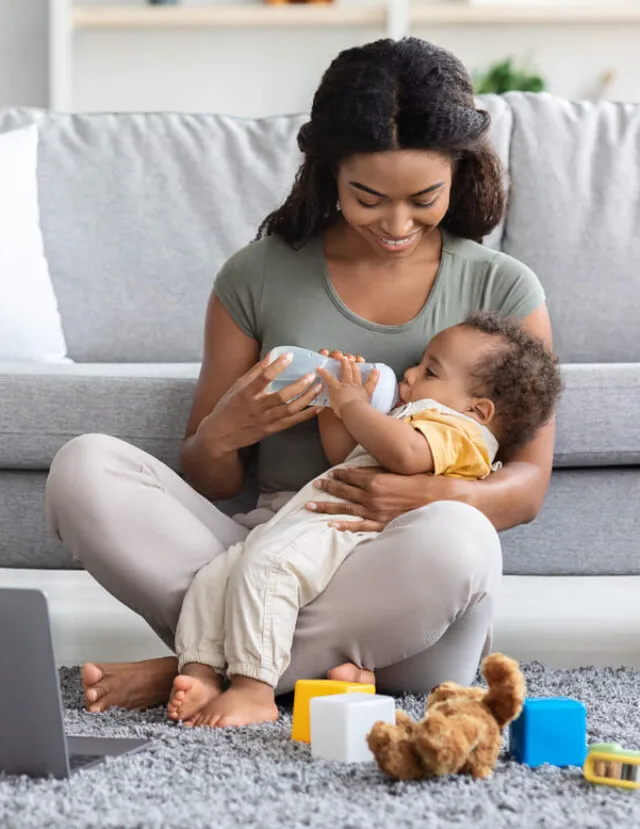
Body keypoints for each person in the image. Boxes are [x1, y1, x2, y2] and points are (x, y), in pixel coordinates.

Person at [45, 37, 555, 720]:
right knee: (83, 467)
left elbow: (525, 489)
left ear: (459, 174)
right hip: (269, 541)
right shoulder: (257, 274)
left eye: (424, 198)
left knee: (462, 541)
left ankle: (202, 667)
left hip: (405, 587)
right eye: (368, 198)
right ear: (328, 173)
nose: (397, 224)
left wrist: (414, 494)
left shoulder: (502, 287)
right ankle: (293, 669)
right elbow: (210, 477)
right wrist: (224, 433)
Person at [168, 312, 561, 727]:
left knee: (267, 571)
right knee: (216, 577)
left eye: (429, 370)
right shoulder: (416, 419)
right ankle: (200, 673)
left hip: (345, 531)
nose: (409, 374)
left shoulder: (461, 433)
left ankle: (254, 690)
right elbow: (346, 458)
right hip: (313, 523)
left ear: (477, 409)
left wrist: (354, 404)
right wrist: (333, 410)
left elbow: (406, 454)